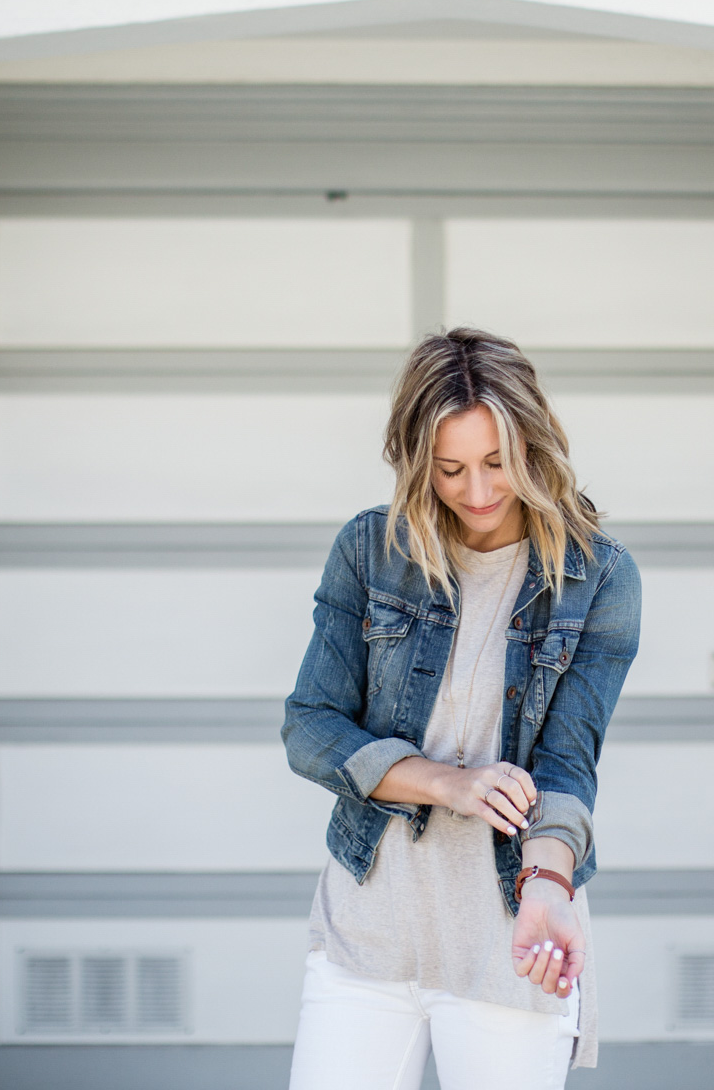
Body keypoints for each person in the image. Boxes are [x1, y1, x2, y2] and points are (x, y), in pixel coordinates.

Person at [282, 327, 642, 1090]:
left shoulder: (599, 579)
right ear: (417, 461)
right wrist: (447, 783)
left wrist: (548, 884)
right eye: (449, 469)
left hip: (507, 939)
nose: (476, 493)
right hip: (368, 935)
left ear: (535, 448)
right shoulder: (370, 550)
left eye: (496, 464)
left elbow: (568, 761)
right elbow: (311, 725)